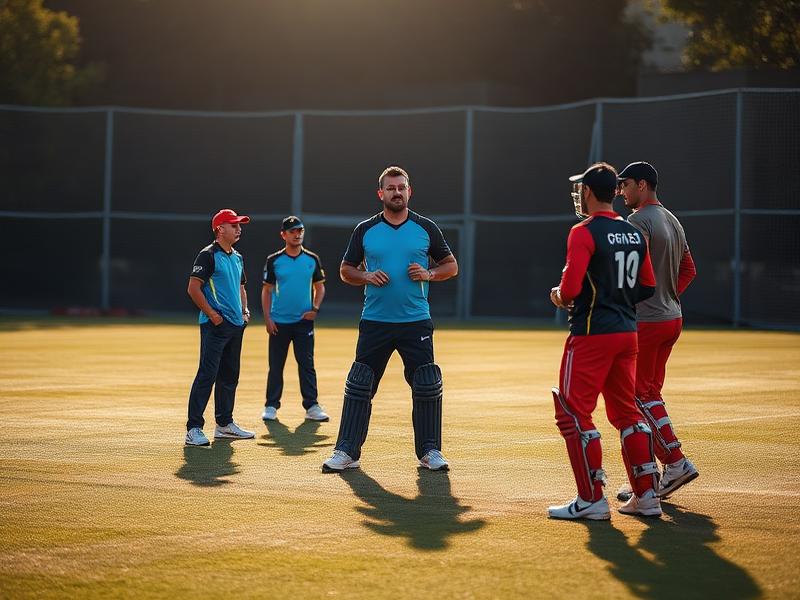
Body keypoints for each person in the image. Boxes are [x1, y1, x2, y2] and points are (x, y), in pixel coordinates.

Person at [322, 166, 458, 473]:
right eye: (390, 188)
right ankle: (347, 452)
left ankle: (430, 451)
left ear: (409, 192)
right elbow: (346, 270)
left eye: (401, 187)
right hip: (375, 321)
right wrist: (367, 275)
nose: (396, 192)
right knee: (360, 385)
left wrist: (430, 274)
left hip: (416, 321)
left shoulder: (426, 228)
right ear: (380, 193)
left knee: (425, 385)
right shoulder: (365, 229)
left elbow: (451, 265)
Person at [548, 162, 661, 519]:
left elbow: (570, 290)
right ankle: (647, 496)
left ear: (587, 192)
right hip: (627, 333)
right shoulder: (633, 232)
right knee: (627, 412)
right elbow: (647, 286)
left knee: (572, 411)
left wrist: (558, 296)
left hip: (592, 332)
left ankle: (591, 499)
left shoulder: (583, 232)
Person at [616, 161, 699, 500]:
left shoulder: (638, 221)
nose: (621, 191)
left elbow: (630, 274)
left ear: (643, 185)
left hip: (647, 321)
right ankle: (646, 478)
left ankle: (675, 461)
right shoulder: (671, 219)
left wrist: (641, 303)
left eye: (626, 185)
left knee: (637, 396)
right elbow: (689, 269)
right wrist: (667, 297)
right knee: (649, 395)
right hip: (670, 318)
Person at [185, 209, 255, 446]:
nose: (238, 229)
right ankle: (193, 428)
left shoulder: (237, 257)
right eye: (233, 225)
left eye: (239, 225)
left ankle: (224, 425)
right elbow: (193, 288)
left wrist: (245, 312)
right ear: (219, 229)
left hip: (235, 326)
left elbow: (241, 287)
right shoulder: (208, 255)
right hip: (215, 326)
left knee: (229, 376)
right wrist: (214, 315)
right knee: (207, 375)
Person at [261, 216, 329, 422]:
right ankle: (271, 406)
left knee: (307, 364)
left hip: (304, 322)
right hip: (279, 321)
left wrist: (315, 308)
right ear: (283, 235)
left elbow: (320, 286)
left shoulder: (312, 259)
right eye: (292, 231)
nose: (297, 234)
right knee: (276, 365)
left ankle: (312, 406)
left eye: (300, 230)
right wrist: (268, 318)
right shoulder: (274, 260)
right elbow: (267, 291)